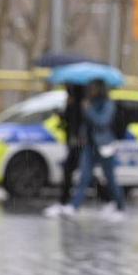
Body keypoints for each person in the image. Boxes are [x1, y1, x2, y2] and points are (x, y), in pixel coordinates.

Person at [58, 78, 126, 220]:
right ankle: (74, 206)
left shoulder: (107, 104)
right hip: (89, 146)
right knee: (84, 177)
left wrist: (88, 111)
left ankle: (120, 207)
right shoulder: (89, 102)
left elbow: (102, 122)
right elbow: (86, 124)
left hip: (104, 146)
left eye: (94, 88)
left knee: (110, 179)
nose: (91, 91)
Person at [43, 83, 87, 217]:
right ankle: (68, 203)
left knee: (73, 172)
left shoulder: (81, 102)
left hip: (79, 142)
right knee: (83, 173)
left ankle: (66, 203)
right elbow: (68, 119)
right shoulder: (72, 101)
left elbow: (80, 121)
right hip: (74, 141)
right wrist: (61, 114)